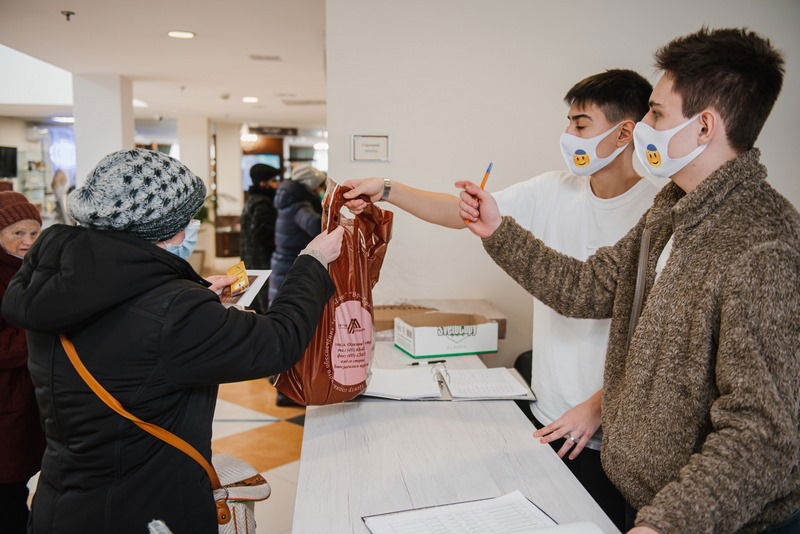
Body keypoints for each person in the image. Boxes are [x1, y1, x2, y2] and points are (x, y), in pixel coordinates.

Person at [457, 28, 798, 533]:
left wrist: (662, 525)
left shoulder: (762, 245)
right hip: (643, 498)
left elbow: (762, 434)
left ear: (704, 127)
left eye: (657, 115)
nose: (642, 129)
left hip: (707, 520)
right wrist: (498, 231)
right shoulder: (672, 210)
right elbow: (587, 286)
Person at [344, 69, 658, 528]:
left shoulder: (656, 210)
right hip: (549, 408)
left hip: (609, 428)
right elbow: (463, 213)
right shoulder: (554, 189)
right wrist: (388, 189)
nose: (567, 135)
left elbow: (657, 338)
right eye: (568, 123)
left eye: (580, 124)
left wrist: (599, 405)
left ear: (625, 131)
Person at [1, 148, 344, 534]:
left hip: (61, 502)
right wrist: (312, 263)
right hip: (145, 509)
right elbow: (278, 341)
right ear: (166, 228)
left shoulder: (57, 285)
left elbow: (126, 331)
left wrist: (196, 298)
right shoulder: (172, 309)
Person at [0, 192, 45, 534]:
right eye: (17, 233)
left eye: (33, 232)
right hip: (6, 405)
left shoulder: (35, 271)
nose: (27, 241)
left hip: (28, 401)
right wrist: (44, 329)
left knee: (18, 486)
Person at [269, 165, 327, 303]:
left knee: (282, 303)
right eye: (319, 186)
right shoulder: (299, 206)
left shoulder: (290, 200)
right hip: (291, 263)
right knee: (288, 306)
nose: (320, 190)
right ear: (311, 186)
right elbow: (316, 226)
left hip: (284, 260)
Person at [240, 163, 281, 313]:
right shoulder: (263, 203)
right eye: (274, 180)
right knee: (264, 305)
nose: (278, 184)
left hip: (250, 260)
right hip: (262, 262)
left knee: (252, 302)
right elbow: (263, 234)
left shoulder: (252, 199)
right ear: (263, 183)